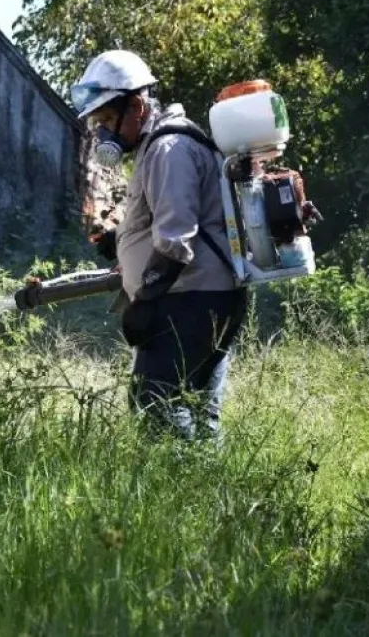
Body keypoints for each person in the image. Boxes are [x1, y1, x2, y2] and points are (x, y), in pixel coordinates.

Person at [70, 50, 249, 443]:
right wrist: (121, 241)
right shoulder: (159, 147)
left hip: (192, 299)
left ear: (135, 106)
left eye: (106, 121)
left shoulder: (170, 149)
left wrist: (144, 303)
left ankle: (184, 490)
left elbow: (175, 240)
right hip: (207, 296)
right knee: (200, 414)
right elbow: (176, 218)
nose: (103, 134)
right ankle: (213, 494)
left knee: (154, 401)